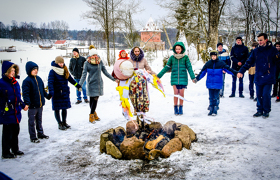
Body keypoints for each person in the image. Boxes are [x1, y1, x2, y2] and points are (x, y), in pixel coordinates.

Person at [237, 33, 280, 118]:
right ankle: (259, 110)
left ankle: (266, 110)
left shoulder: (273, 50)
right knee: (259, 94)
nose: (259, 42)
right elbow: (249, 62)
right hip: (259, 76)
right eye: (258, 40)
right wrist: (241, 71)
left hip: (269, 76)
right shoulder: (256, 51)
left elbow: (278, 63)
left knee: (266, 94)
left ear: (266, 40)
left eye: (261, 40)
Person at [79, 48, 118, 123]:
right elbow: (84, 75)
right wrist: (79, 84)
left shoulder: (99, 61)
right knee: (92, 99)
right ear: (90, 55)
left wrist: (113, 79)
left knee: (95, 99)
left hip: (98, 83)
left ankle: (92, 113)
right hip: (91, 83)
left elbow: (105, 71)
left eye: (96, 54)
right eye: (93, 55)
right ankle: (92, 115)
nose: (95, 56)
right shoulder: (86, 63)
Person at [194, 50, 237, 116]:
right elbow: (202, 72)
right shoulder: (208, 64)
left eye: (214, 56)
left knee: (216, 97)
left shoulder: (221, 63)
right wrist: (197, 79)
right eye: (212, 56)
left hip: (218, 83)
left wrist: (236, 73)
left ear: (216, 56)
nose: (213, 57)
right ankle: (211, 108)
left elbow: (228, 69)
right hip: (210, 83)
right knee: (211, 97)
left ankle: (215, 108)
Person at [157, 42, 196, 115]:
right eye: (176, 49)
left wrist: (193, 77)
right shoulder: (172, 58)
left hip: (183, 78)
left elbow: (189, 68)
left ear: (182, 49)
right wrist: (159, 75)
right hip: (174, 78)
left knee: (181, 93)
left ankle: (181, 107)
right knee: (175, 93)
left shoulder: (185, 58)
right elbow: (167, 67)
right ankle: (175, 107)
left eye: (179, 49)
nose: (177, 50)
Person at [0, 61, 28, 159]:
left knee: (16, 131)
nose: (13, 72)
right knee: (7, 133)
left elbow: (18, 98)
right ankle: (6, 152)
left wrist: (23, 105)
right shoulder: (1, 83)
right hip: (7, 112)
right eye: (11, 70)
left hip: (16, 112)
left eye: (14, 70)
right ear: (6, 71)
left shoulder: (15, 83)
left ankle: (15, 149)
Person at [48, 56, 82, 130]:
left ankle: (64, 122)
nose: (61, 64)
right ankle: (59, 123)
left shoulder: (65, 70)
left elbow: (71, 79)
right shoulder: (52, 71)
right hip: (57, 93)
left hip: (64, 92)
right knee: (57, 109)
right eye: (60, 63)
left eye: (62, 63)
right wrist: (51, 92)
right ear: (56, 63)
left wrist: (77, 85)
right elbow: (50, 83)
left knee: (64, 108)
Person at [22, 61, 51, 143]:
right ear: (29, 70)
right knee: (32, 122)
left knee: (39, 120)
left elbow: (42, 90)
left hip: (40, 104)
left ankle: (40, 133)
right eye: (33, 69)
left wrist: (47, 96)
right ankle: (33, 136)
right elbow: (26, 93)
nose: (36, 71)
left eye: (36, 69)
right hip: (32, 106)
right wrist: (27, 103)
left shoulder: (39, 79)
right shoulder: (27, 81)